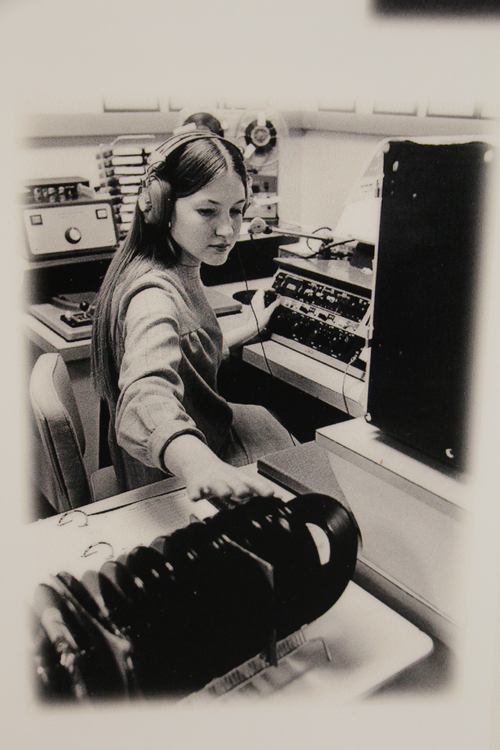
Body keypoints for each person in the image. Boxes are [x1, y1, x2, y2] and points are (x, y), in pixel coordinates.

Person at [91, 129, 295, 506]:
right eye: (207, 210)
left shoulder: (166, 264)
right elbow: (145, 397)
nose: (227, 229)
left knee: (268, 419)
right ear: (161, 207)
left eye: (237, 210)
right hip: (173, 475)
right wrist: (199, 463)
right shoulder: (153, 297)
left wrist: (250, 325)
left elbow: (186, 346)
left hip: (174, 455)